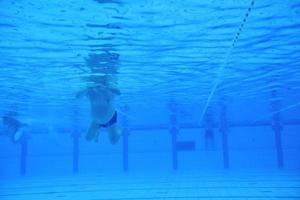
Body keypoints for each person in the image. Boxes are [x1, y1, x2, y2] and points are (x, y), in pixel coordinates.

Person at [76, 52, 121, 144]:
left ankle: (118, 130)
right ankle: (98, 130)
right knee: (88, 138)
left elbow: (119, 92)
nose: (98, 82)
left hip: (110, 117)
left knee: (113, 141)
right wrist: (86, 88)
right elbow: (77, 96)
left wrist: (107, 88)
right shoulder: (90, 89)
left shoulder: (109, 86)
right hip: (96, 120)